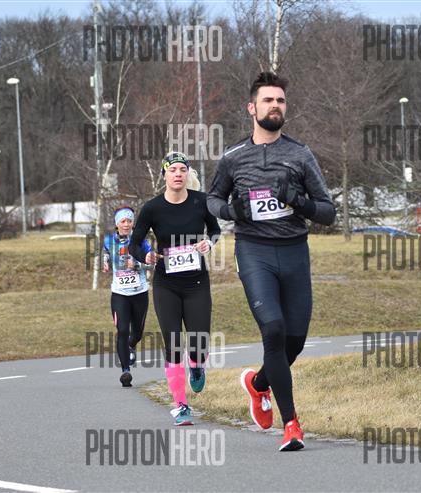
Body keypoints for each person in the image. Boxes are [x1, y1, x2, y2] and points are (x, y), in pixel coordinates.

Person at [207, 72, 336, 451]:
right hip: (254, 251)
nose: (275, 106)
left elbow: (328, 212)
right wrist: (231, 211)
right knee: (274, 330)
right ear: (252, 108)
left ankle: (258, 383)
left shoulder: (300, 154)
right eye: (268, 100)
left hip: (294, 251)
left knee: (294, 342)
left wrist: (298, 201)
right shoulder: (233, 157)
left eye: (280, 101)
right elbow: (212, 200)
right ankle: (291, 424)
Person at [130, 152, 221, 426]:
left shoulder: (201, 201)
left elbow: (215, 230)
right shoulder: (152, 208)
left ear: (187, 173)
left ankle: (197, 365)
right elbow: (134, 243)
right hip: (166, 284)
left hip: (196, 283)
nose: (178, 174)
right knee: (173, 343)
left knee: (199, 341)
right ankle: (181, 405)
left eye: (182, 169)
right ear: (164, 175)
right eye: (173, 170)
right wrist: (144, 256)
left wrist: (209, 243)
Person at [102, 207, 153, 387]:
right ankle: (126, 371)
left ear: (133, 223)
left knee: (137, 333)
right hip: (120, 294)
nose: (126, 224)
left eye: (129, 221)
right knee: (122, 330)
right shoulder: (109, 240)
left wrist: (137, 265)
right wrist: (105, 262)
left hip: (140, 293)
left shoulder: (141, 241)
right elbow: (105, 252)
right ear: (117, 224)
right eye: (123, 221)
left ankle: (132, 345)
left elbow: (151, 263)